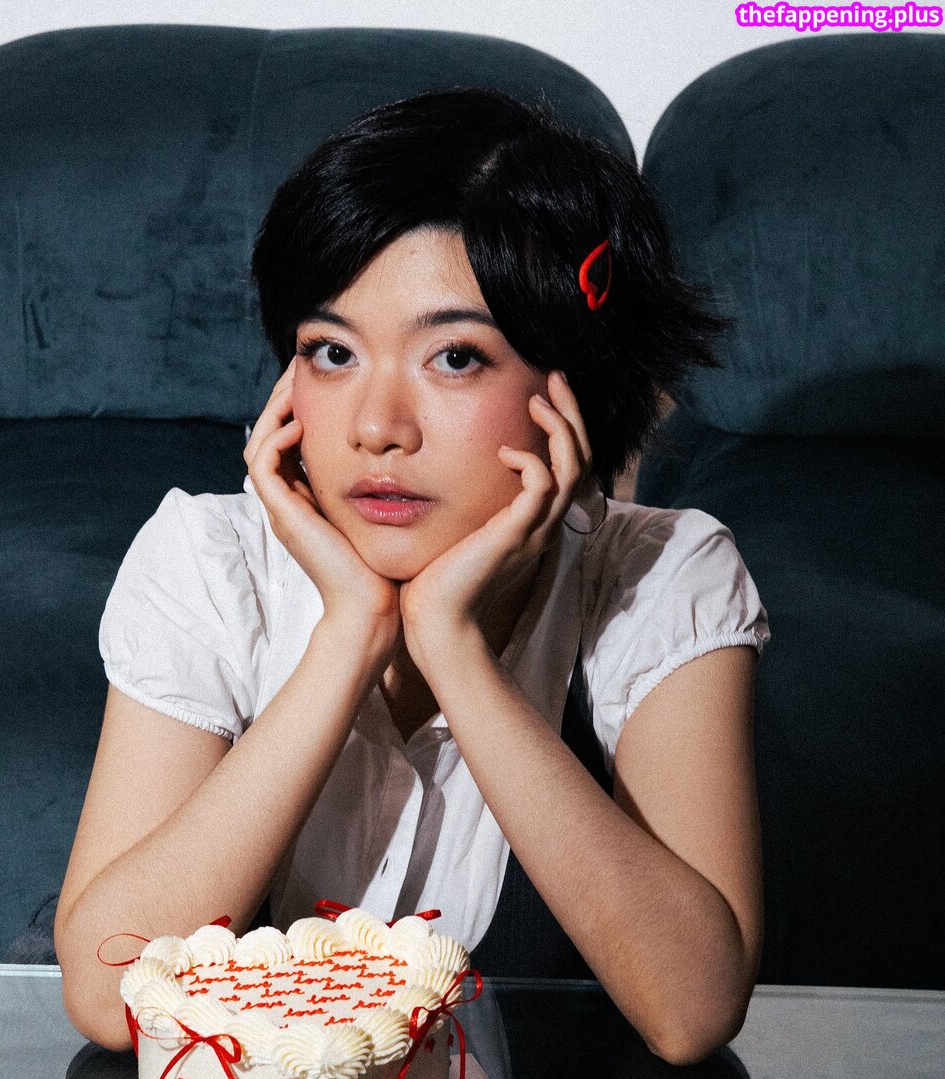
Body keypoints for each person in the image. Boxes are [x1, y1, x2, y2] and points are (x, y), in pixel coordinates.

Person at [55, 87, 769, 1066]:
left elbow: (692, 1011)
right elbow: (107, 998)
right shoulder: (208, 558)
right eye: (332, 352)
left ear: (570, 383)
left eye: (455, 357)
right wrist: (347, 636)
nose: (376, 426)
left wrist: (454, 649)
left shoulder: (662, 579)